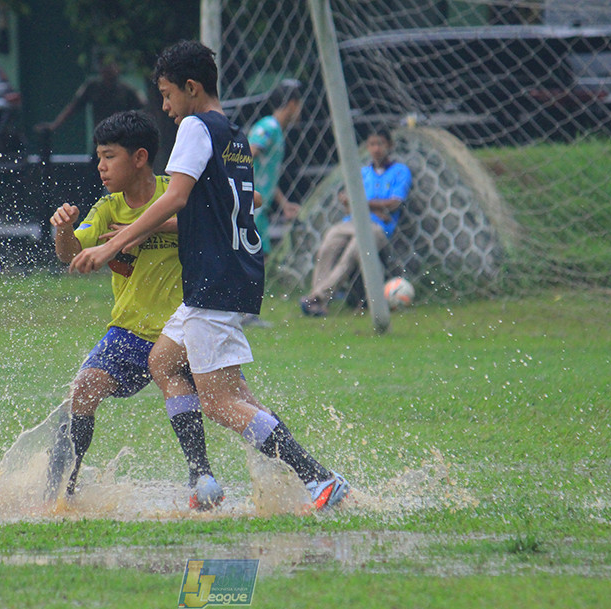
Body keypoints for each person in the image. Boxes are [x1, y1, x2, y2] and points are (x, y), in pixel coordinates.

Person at [70, 40, 350, 512]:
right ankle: (203, 478)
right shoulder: (235, 134)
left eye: (166, 94)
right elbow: (233, 204)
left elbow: (175, 197)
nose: (164, 106)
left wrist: (114, 243)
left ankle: (318, 478)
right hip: (231, 274)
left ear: (191, 88)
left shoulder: (197, 128)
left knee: (220, 402)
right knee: (165, 363)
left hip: (214, 281)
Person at [48, 110, 191, 496]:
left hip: (185, 330)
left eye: (109, 156)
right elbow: (70, 254)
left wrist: (147, 226)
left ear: (139, 157)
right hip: (129, 332)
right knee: (82, 391)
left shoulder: (175, 191)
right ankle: (61, 490)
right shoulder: (107, 207)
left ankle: (213, 476)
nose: (101, 166)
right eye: (99, 157)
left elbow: (223, 212)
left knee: (231, 406)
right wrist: (63, 229)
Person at [299, 128, 412, 316]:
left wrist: (359, 203)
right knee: (330, 241)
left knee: (354, 249)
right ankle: (317, 301)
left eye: (380, 144)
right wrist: (372, 207)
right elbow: (346, 200)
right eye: (372, 144)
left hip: (378, 227)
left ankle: (317, 298)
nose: (376, 149)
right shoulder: (363, 172)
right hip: (352, 222)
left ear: (390, 146)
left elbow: (394, 203)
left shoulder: (400, 171)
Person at [248, 79, 303, 254]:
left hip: (259, 211)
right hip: (250, 209)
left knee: (263, 261)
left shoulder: (278, 131)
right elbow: (247, 156)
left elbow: (265, 174)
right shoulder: (268, 127)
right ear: (293, 104)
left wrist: (284, 204)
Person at [34, 59, 146, 138]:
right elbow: (73, 107)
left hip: (121, 137)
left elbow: (143, 107)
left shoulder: (126, 90)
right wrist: (55, 125)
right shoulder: (93, 87)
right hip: (101, 135)